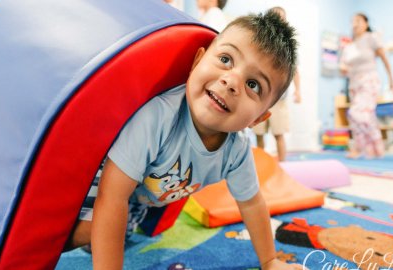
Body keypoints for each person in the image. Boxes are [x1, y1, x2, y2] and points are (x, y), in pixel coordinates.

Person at [66, 11, 305, 270]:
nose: (232, 81)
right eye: (225, 59)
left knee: (115, 233)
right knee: (81, 231)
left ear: (258, 119)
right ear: (197, 62)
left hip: (143, 196)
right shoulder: (158, 116)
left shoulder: (237, 149)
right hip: (101, 178)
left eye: (253, 84)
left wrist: (270, 261)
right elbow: (111, 197)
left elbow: (251, 203)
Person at [339, 13, 393, 159]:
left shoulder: (371, 38)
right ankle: (374, 149)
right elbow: (343, 68)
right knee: (364, 117)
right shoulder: (349, 47)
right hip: (354, 84)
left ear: (366, 23)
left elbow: (384, 59)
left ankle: (362, 147)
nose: (355, 24)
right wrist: (343, 69)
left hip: (369, 81)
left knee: (356, 113)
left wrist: (391, 80)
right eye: (353, 21)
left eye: (358, 20)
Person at [251, 6, 301, 162]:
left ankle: (282, 164)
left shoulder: (288, 44)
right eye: (275, 17)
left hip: (279, 98)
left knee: (279, 133)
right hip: (261, 97)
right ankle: (260, 165)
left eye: (282, 18)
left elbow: (295, 70)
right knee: (259, 134)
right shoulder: (261, 39)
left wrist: (298, 90)